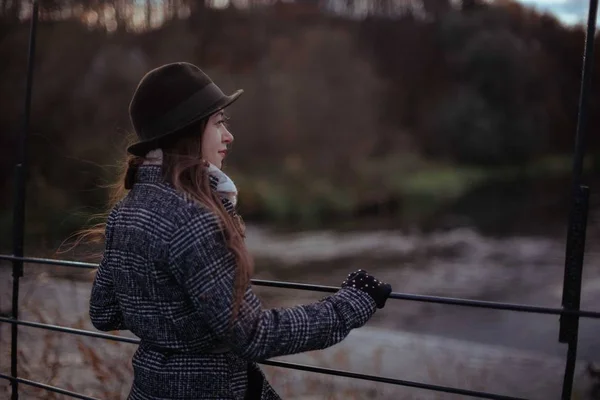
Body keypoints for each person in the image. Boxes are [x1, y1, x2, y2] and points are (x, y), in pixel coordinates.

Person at [89, 62, 393, 400]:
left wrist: (175, 324)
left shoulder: (126, 212)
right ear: (188, 132)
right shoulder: (195, 219)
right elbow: (255, 335)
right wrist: (350, 303)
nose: (228, 136)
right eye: (218, 123)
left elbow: (105, 311)